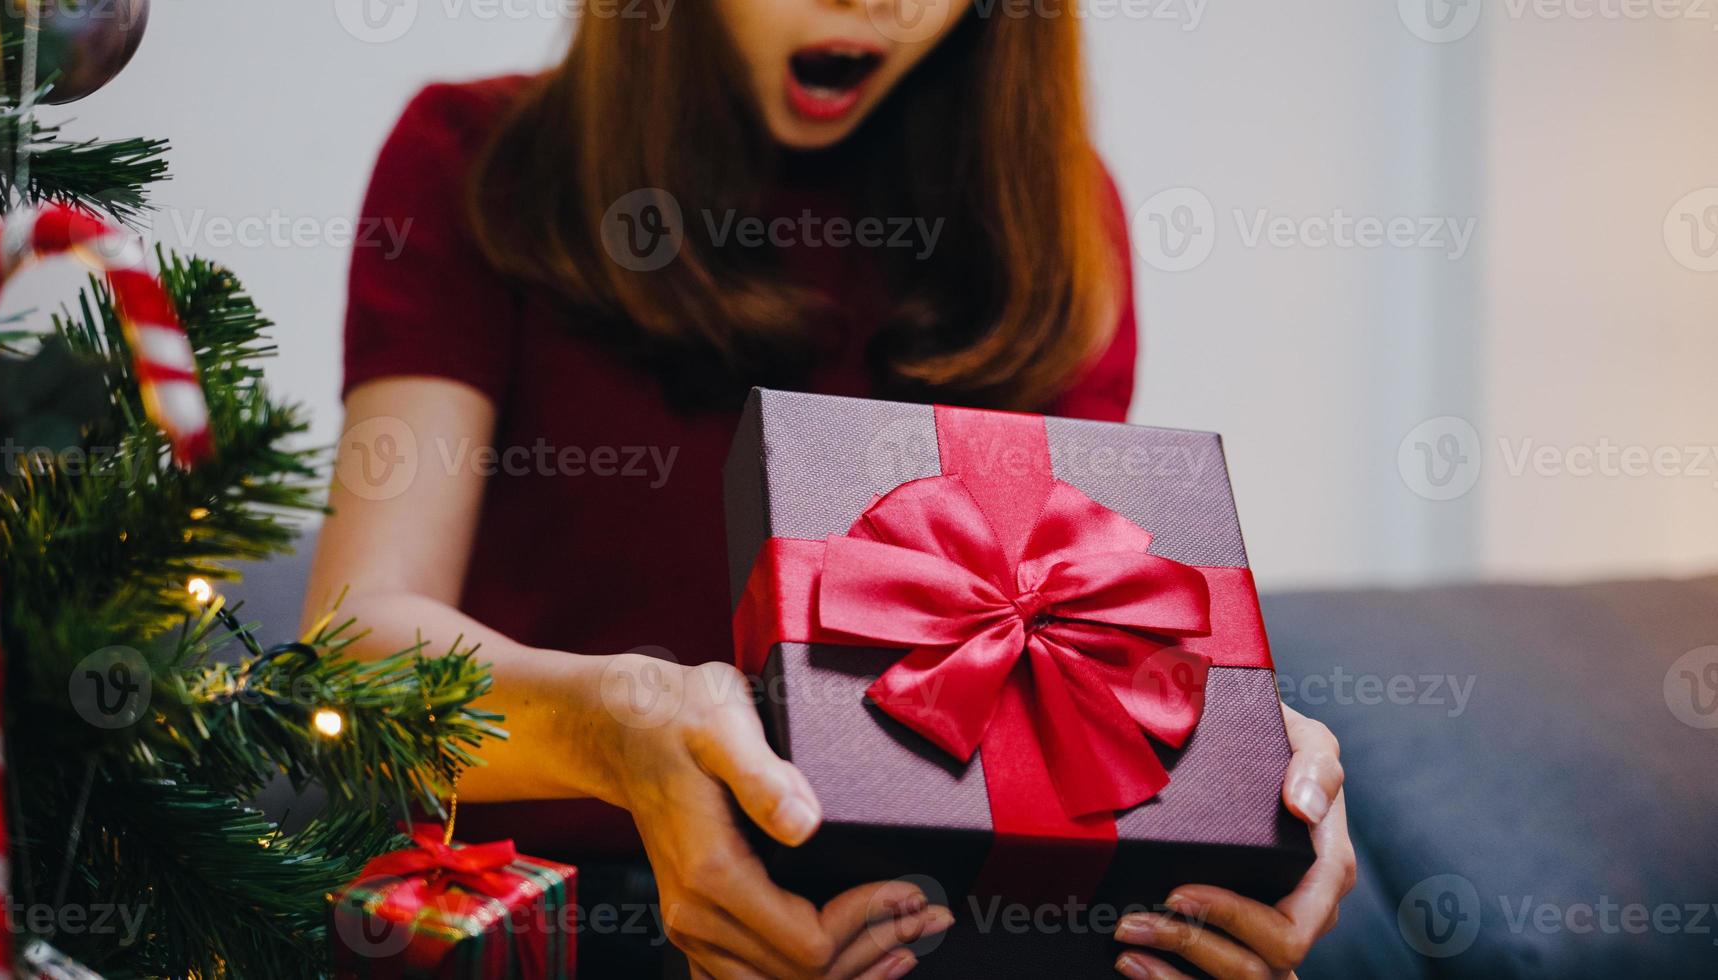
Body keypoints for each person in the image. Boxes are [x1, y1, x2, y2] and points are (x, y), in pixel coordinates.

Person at [305, 2, 1356, 977]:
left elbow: (1066, 647)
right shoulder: (477, 160)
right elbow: (354, 657)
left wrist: (1234, 758)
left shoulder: (1050, 216)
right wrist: (609, 728)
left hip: (932, 930)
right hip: (544, 906)